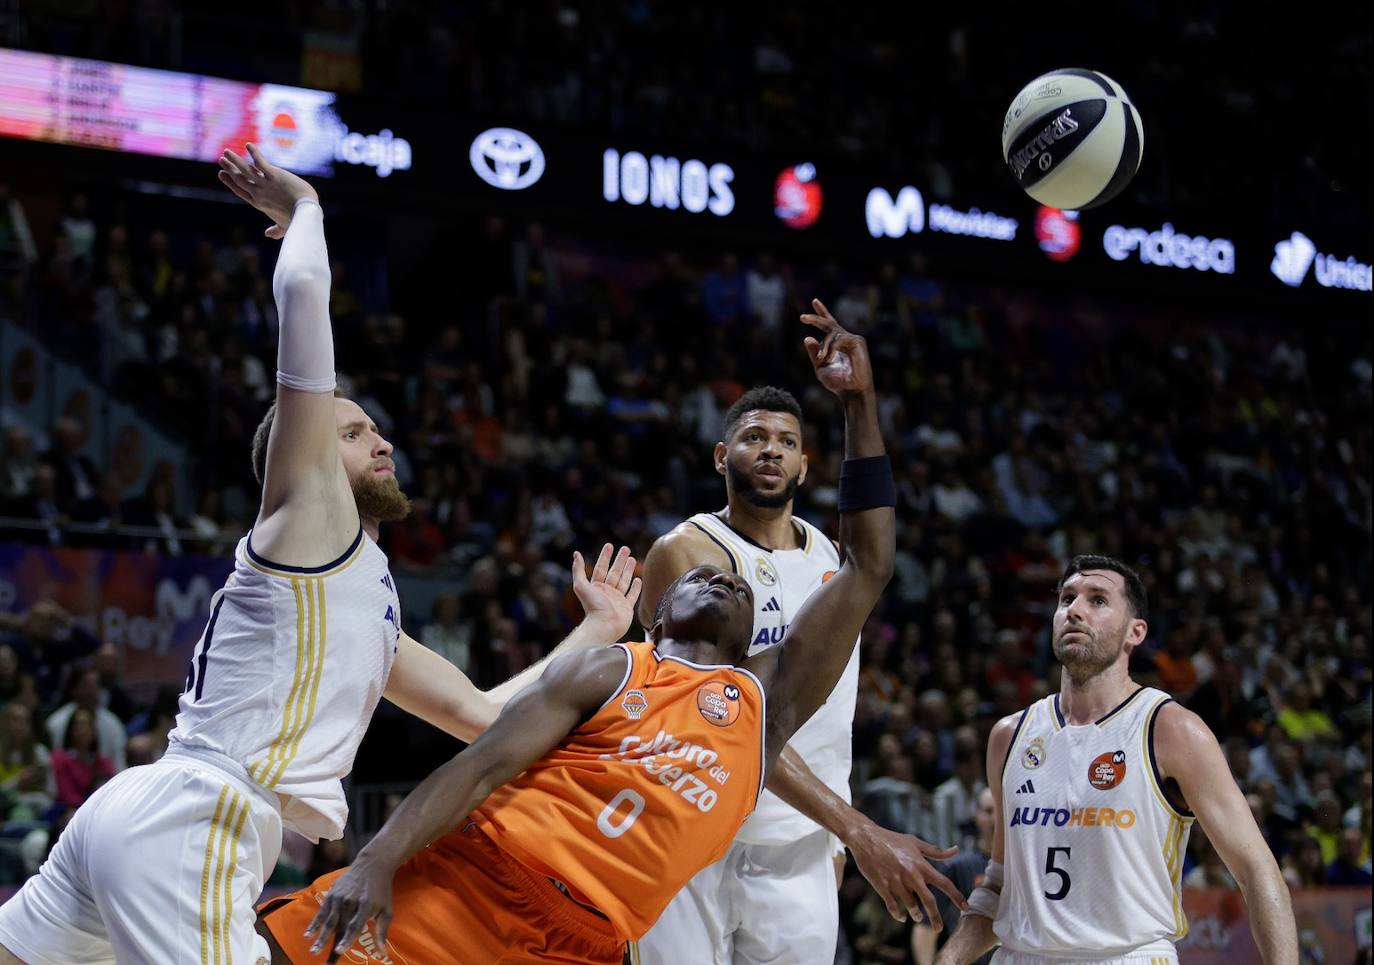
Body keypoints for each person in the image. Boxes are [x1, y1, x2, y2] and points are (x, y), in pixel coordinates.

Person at [0, 146, 642, 965]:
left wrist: (596, 630)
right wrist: (306, 208)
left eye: (374, 426)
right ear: (304, 458)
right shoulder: (308, 516)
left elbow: (485, 714)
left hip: (140, 809)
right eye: (351, 430)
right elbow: (304, 292)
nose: (381, 439)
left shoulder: (360, 600)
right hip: (200, 816)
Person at [259, 303, 897, 964]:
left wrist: (860, 401)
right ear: (661, 606)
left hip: (584, 936)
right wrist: (380, 856)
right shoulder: (616, 670)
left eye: (737, 589)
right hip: (487, 872)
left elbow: (869, 565)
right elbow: (480, 757)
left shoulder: (757, 703)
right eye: (706, 577)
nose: (725, 581)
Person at [636, 382, 962, 964]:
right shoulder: (685, 555)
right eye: (754, 437)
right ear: (720, 455)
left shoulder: (833, 559)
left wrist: (833, 838)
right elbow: (727, 718)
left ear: (806, 466)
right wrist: (856, 828)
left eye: (787, 441)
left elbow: (875, 547)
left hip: (801, 843)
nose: (771, 451)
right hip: (693, 832)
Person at [936, 556, 1298, 965]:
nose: (1074, 609)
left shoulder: (1172, 730)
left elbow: (1257, 871)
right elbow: (1001, 884)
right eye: (1067, 598)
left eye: (1097, 600)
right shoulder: (1009, 736)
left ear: (1135, 632)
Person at [914, 787, 996, 965]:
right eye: (989, 811)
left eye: (1001, 811)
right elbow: (925, 926)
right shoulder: (958, 866)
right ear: (977, 816)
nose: (996, 819)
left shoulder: (1024, 864)